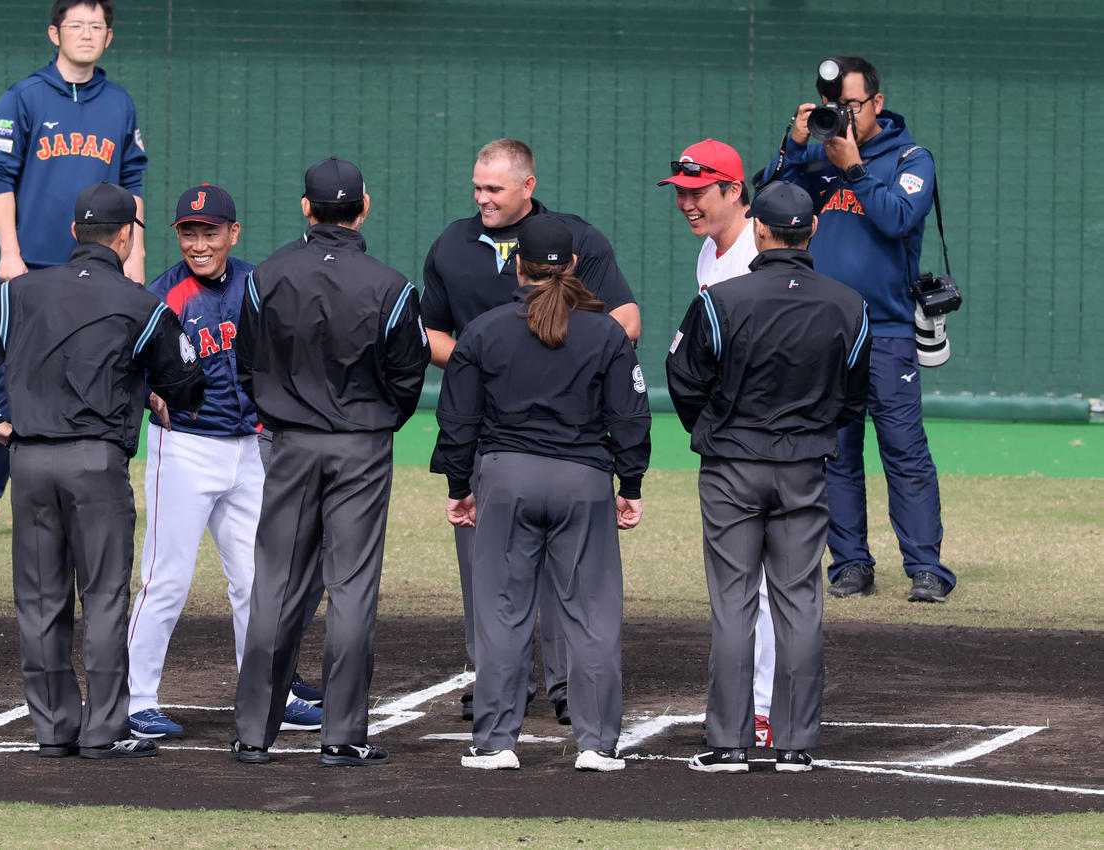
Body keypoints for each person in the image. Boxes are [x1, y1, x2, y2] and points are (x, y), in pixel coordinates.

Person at [0, 181, 204, 759]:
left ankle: (54, 729)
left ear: (73, 232)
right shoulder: (141, 304)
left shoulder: (20, 291)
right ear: (125, 236)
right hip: (96, 466)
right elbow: (188, 385)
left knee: (40, 600)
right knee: (104, 598)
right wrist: (151, 391)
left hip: (31, 463)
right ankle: (105, 731)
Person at [421, 138, 641, 725]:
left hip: (560, 435)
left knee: (561, 575)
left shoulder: (578, 237)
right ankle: (498, 684)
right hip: (491, 437)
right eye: (477, 187)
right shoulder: (452, 244)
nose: (483, 198)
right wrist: (487, 361)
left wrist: (546, 356)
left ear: (528, 186)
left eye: (494, 188)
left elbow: (626, 318)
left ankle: (567, 686)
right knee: (487, 575)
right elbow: (429, 331)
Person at [666, 181, 871, 774]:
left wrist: (715, 429)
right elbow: (853, 397)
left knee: (734, 603)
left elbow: (683, 379)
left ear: (759, 229)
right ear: (812, 230)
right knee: (799, 601)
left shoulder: (721, 299)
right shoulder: (849, 305)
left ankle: (729, 744)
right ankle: (795, 745)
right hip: (805, 468)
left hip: (732, 467)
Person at [231, 157, 429, 767]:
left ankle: (253, 734)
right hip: (361, 446)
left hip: (290, 443)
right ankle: (342, 736)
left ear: (306, 207)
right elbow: (408, 379)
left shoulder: (266, 275)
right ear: (363, 208)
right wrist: (371, 422)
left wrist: (283, 413)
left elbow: (246, 364)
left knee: (275, 585)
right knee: (351, 588)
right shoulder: (392, 285)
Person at [124, 184, 322, 742]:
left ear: (233, 233)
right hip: (183, 449)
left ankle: (270, 694)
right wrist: (147, 394)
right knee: (166, 578)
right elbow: (126, 364)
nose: (199, 243)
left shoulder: (257, 285)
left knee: (258, 581)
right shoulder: (162, 295)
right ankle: (135, 699)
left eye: (209, 232)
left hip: (249, 451)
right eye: (188, 233)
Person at [757, 56, 954, 603]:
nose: (841, 116)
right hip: (824, 332)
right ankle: (850, 564)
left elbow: (897, 218)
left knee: (904, 451)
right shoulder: (814, 157)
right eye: (831, 107)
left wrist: (855, 169)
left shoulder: (911, 158)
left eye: (850, 105)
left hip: (887, 330)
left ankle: (926, 567)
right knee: (836, 453)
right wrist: (795, 146)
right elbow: (767, 210)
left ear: (877, 103)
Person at [0, 0, 148, 542]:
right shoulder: (23, 97)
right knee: (11, 381)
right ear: (54, 33)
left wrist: (135, 253)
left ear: (108, 38)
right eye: (76, 26)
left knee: (101, 375)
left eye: (96, 26)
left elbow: (132, 183)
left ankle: (88, 492)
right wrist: (10, 252)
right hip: (37, 265)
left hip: (103, 266)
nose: (86, 34)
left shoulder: (119, 103)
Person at [658, 138, 776, 749]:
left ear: (734, 190)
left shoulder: (763, 249)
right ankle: (749, 702)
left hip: (774, 439)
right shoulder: (712, 251)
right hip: (733, 439)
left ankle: (765, 707)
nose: (686, 203)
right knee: (743, 584)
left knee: (768, 587)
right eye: (680, 192)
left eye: (698, 192)